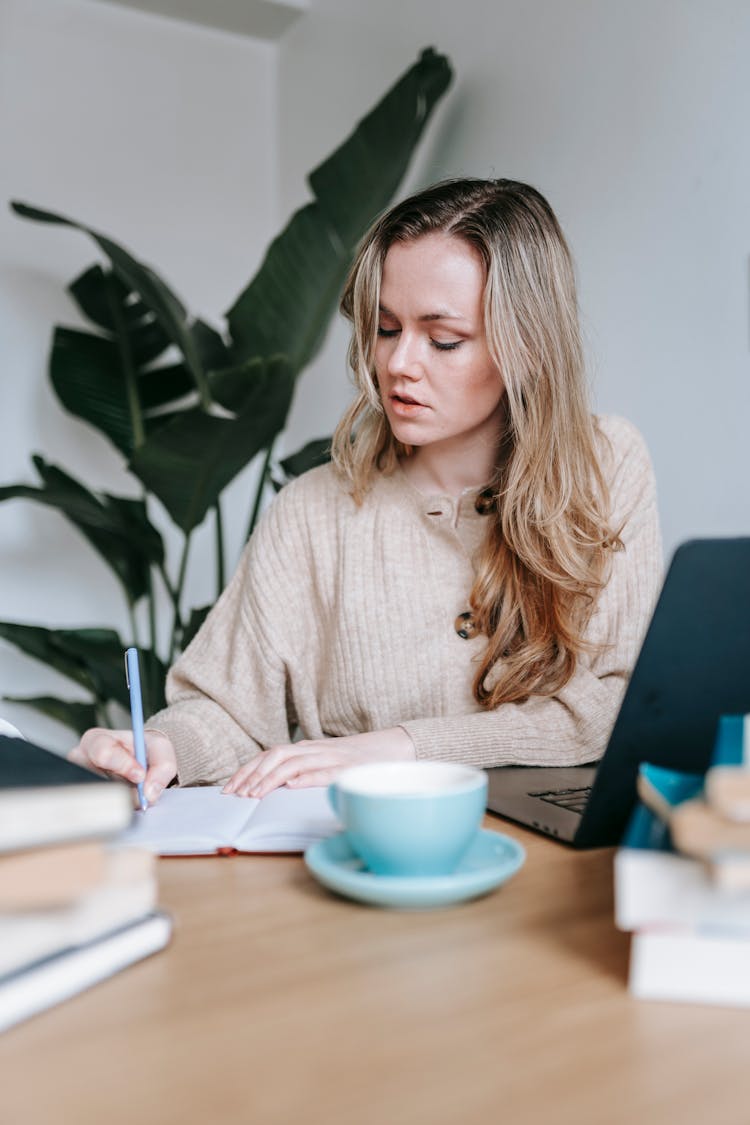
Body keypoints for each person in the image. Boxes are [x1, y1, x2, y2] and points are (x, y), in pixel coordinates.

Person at [70, 178, 662, 805]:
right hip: (358, 855)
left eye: (443, 340)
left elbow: (613, 707)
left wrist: (394, 748)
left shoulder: (605, 466)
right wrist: (164, 749)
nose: (399, 363)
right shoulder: (312, 510)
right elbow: (226, 711)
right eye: (384, 328)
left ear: (529, 346)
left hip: (551, 863)